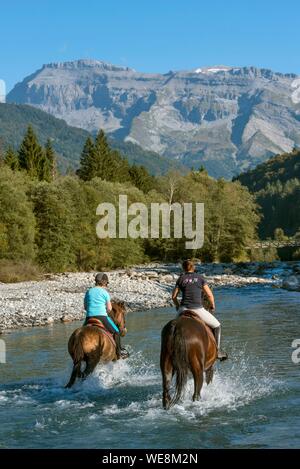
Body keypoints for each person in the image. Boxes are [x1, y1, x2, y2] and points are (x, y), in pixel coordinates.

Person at [172, 259, 227, 361]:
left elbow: (174, 297)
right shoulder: (200, 278)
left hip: (183, 308)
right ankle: (218, 351)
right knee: (217, 325)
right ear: (194, 267)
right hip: (197, 309)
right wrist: (212, 305)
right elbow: (209, 295)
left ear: (183, 268)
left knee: (173, 329)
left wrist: (177, 306)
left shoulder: (180, 279)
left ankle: (171, 353)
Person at [84, 273, 128, 359]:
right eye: (107, 283)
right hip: (102, 317)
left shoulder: (88, 292)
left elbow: (85, 307)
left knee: (82, 332)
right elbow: (109, 309)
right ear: (104, 283)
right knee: (116, 332)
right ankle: (119, 353)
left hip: (89, 317)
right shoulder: (104, 292)